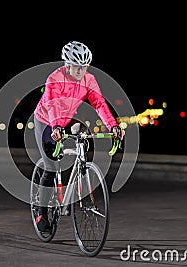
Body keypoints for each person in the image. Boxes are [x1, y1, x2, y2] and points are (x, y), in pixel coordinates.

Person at [33, 40, 125, 232]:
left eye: (84, 67)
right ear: (67, 64)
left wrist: (113, 126)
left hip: (67, 120)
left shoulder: (89, 80)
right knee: (51, 165)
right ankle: (41, 213)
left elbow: (99, 104)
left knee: (83, 139)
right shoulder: (54, 78)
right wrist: (56, 126)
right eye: (77, 67)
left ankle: (79, 175)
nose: (80, 71)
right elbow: (53, 104)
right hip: (46, 120)